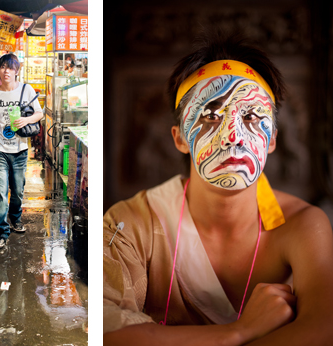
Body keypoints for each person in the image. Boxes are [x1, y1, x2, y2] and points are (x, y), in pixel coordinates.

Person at [103, 33, 333, 345]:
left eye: (251, 116)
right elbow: (105, 333)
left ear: (274, 138)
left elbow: (322, 330)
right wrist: (238, 331)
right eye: (211, 117)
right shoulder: (131, 223)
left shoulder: (303, 225)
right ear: (180, 138)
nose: (232, 136)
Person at [0, 54, 44, 249]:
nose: (6, 71)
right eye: (2, 68)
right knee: (0, 193)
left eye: (10, 68)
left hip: (20, 149)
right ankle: (2, 232)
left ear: (16, 71)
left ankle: (15, 217)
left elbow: (39, 113)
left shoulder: (26, 89)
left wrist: (27, 120)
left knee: (18, 191)